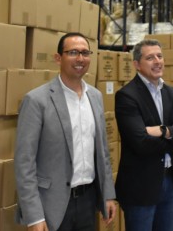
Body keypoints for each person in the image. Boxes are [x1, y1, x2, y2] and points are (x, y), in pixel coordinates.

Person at [15, 32, 117, 231]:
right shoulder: (37, 100)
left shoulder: (95, 97)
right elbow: (24, 162)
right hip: (52, 205)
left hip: (88, 201)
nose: (80, 59)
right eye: (73, 52)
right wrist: (34, 216)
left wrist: (107, 195)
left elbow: (103, 152)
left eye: (85, 53)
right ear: (58, 58)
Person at [115, 39, 173, 231]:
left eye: (160, 56)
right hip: (141, 186)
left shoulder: (170, 93)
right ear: (137, 64)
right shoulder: (127, 96)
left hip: (169, 182)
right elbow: (140, 143)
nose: (157, 61)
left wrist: (163, 131)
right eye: (150, 58)